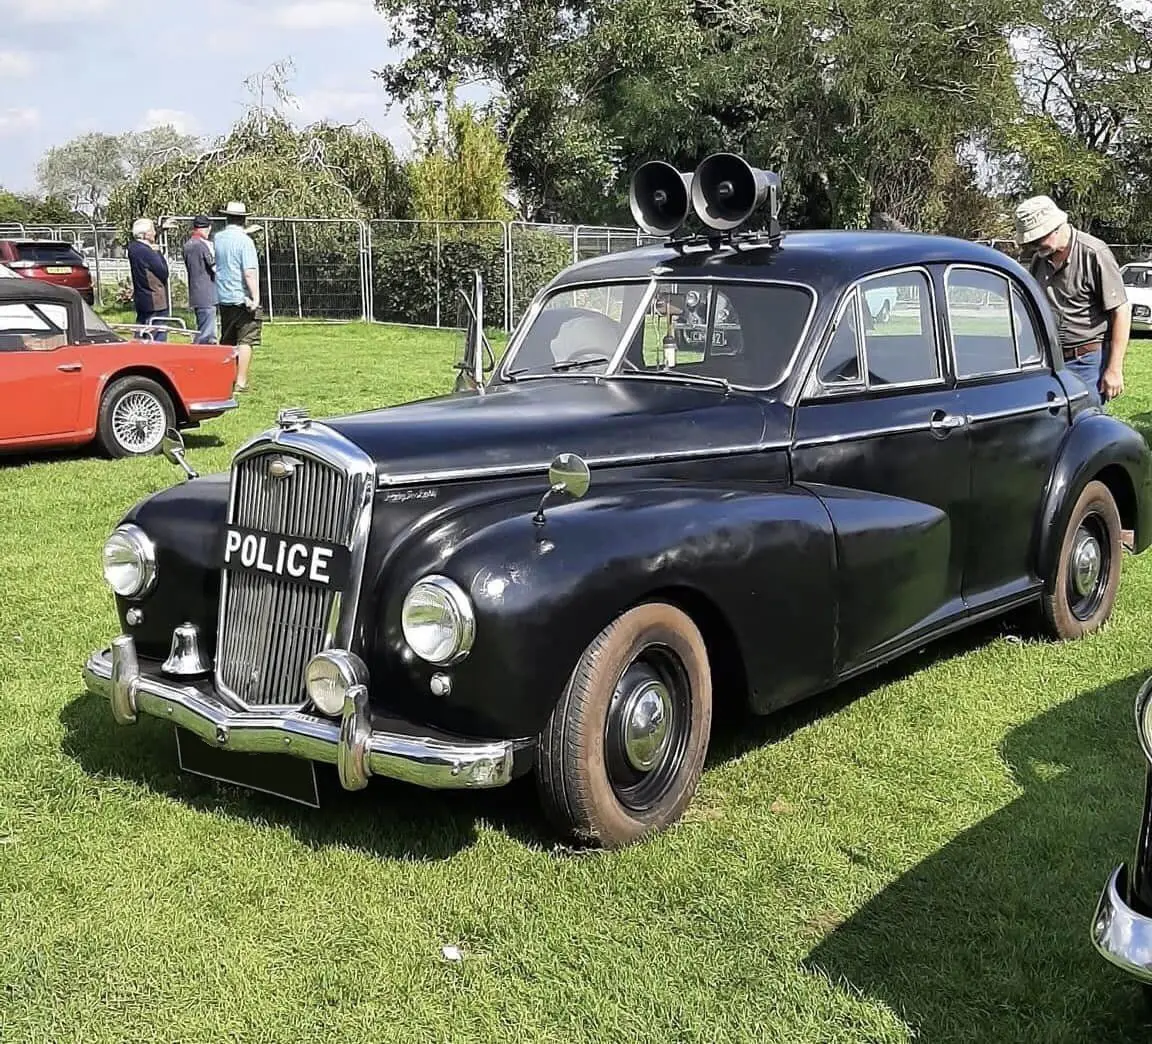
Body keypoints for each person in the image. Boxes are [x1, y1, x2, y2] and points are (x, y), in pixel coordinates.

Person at [1014, 196, 1131, 406]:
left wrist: (1114, 369)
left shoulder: (1094, 253)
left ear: (1057, 228)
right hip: (1050, 359)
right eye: (1030, 242)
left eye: (1038, 239)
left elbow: (1121, 311)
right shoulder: (1039, 259)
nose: (1034, 246)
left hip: (1087, 363)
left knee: (1085, 426)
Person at [213, 201, 262, 391]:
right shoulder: (245, 242)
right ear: (244, 219)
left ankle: (224, 379)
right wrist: (255, 298)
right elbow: (249, 272)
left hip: (223, 295)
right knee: (246, 340)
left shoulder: (218, 238)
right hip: (242, 297)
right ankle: (241, 382)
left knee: (227, 340)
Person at [126, 217, 170, 340]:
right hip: (154, 298)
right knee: (157, 333)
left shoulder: (133, 248)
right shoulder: (147, 252)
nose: (154, 233)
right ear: (145, 234)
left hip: (141, 297)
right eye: (152, 230)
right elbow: (163, 271)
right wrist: (158, 252)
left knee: (141, 331)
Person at [182, 216, 217, 344]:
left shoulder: (188, 245)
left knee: (202, 327)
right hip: (207, 294)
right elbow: (214, 267)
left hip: (195, 293)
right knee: (207, 335)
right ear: (206, 228)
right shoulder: (202, 246)